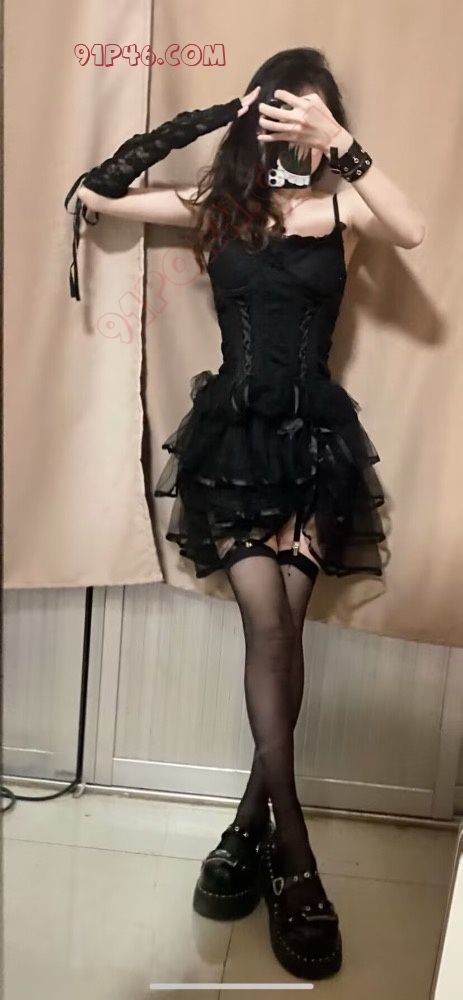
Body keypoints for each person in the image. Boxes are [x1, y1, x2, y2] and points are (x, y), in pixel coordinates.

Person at [64, 47, 426, 981]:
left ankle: (243, 828)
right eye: (281, 113)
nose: (291, 128)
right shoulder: (216, 207)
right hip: (230, 443)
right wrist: (213, 116)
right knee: (269, 627)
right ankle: (291, 850)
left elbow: (414, 229)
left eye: (307, 114)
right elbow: (98, 191)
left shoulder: (341, 208)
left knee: (282, 633)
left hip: (315, 448)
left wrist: (340, 143)